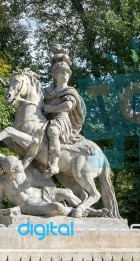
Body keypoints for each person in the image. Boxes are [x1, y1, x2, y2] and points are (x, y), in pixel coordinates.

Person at [43, 45, 85, 177]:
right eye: (62, 72)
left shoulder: (70, 91)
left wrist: (51, 108)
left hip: (62, 120)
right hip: (46, 118)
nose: (65, 74)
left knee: (52, 131)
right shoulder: (47, 91)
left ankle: (54, 164)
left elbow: (67, 106)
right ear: (55, 76)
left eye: (67, 72)